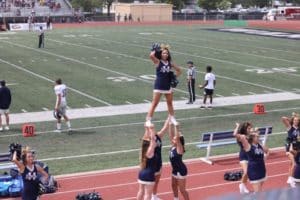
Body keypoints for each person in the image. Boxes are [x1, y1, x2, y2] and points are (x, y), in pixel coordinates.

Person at [146, 44, 181, 126]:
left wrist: (174, 77)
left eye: (167, 53)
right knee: (154, 103)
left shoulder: (170, 63)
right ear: (161, 54)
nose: (165, 54)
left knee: (170, 103)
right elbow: (151, 56)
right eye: (163, 53)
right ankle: (148, 119)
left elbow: (179, 70)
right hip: (159, 85)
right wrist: (154, 50)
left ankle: (172, 118)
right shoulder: (158, 62)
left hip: (168, 86)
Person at [234, 128, 269, 192]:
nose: (259, 138)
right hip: (253, 171)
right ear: (252, 138)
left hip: (262, 170)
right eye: (257, 137)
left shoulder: (259, 145)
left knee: (259, 191)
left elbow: (267, 151)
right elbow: (237, 135)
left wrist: (264, 158)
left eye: (259, 136)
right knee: (258, 193)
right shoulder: (248, 146)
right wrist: (243, 135)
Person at [169, 123, 190, 200]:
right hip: (175, 169)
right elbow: (170, 134)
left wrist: (176, 127)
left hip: (181, 170)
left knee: (182, 190)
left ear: (178, 141)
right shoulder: (173, 145)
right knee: (173, 185)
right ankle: (176, 199)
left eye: (175, 139)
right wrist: (170, 124)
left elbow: (177, 138)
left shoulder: (179, 149)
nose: (173, 139)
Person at [137, 123, 157, 200]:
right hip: (149, 174)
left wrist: (146, 129)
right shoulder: (150, 151)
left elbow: (146, 139)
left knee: (140, 191)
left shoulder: (142, 150)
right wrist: (152, 129)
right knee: (148, 194)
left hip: (141, 173)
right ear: (149, 144)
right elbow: (153, 139)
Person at [281, 112, 300, 187]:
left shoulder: (299, 128)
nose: (296, 121)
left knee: (292, 163)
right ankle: (291, 179)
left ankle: (289, 177)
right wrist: (291, 119)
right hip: (290, 147)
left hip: (297, 148)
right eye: (295, 120)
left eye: (297, 120)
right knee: (294, 163)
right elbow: (283, 118)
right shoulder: (290, 127)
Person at [233, 122, 252, 194]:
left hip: (250, 155)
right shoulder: (241, 136)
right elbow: (234, 134)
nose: (250, 130)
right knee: (246, 171)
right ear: (245, 129)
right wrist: (237, 126)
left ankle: (243, 185)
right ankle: (241, 185)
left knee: (248, 173)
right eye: (248, 128)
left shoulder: (250, 135)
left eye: (250, 128)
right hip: (243, 156)